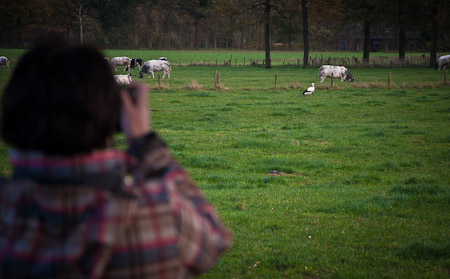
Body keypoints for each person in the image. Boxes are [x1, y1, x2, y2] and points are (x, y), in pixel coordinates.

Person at [0, 38, 231, 278]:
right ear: (112, 112)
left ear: (12, 112)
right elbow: (213, 241)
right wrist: (145, 144)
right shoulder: (156, 214)